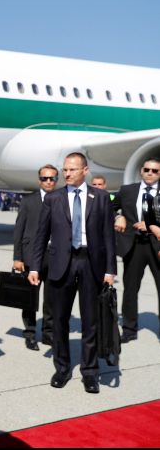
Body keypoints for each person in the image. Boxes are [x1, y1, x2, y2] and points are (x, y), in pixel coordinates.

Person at [29, 152, 116, 394]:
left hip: (91, 263)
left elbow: (109, 237)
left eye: (72, 169)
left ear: (84, 170)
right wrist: (35, 266)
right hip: (61, 265)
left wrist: (110, 270)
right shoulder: (53, 198)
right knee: (59, 321)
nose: (66, 173)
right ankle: (62, 368)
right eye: (65, 169)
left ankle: (89, 371)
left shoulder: (100, 198)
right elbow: (41, 235)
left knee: (91, 321)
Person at [112, 157, 160, 343]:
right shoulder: (127, 191)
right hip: (133, 246)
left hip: (157, 245)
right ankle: (129, 329)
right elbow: (108, 206)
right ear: (141, 170)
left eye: (155, 171)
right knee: (130, 289)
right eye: (147, 169)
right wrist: (118, 216)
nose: (150, 173)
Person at [12, 165, 58, 351]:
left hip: (55, 257)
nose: (48, 181)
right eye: (45, 178)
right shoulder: (28, 201)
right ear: (39, 180)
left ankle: (49, 333)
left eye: (52, 178)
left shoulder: (62, 199)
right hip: (32, 257)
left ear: (56, 179)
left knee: (52, 299)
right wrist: (17, 257)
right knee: (30, 298)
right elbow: (19, 230)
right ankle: (30, 333)